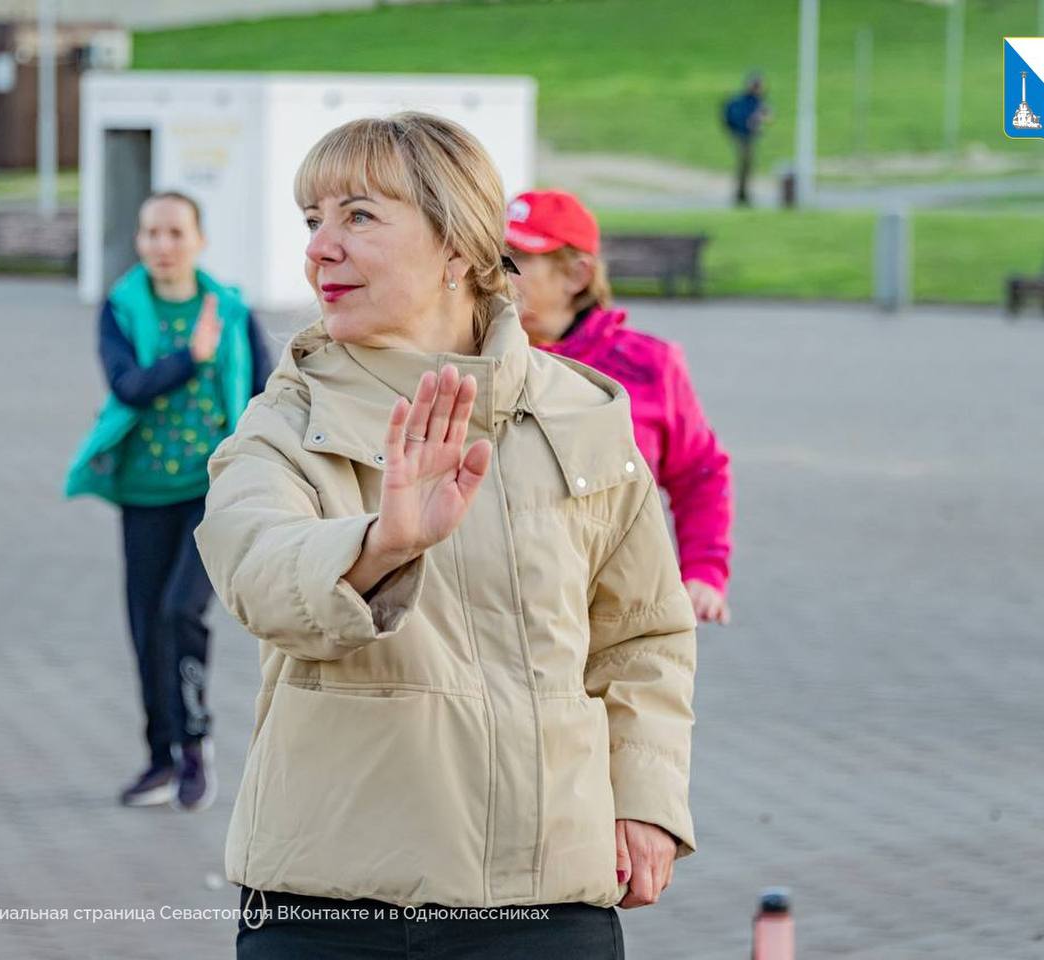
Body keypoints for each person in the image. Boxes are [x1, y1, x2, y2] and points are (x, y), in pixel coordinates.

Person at [194, 112, 698, 958]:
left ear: (458, 248)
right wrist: (380, 545)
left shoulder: (581, 411)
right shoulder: (285, 422)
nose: (320, 247)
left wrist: (644, 796)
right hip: (333, 908)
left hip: (551, 905)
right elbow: (257, 571)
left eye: (358, 216)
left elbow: (643, 633)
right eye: (312, 221)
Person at [65, 191, 274, 810]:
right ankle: (158, 756)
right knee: (144, 625)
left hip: (211, 493)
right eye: (151, 232)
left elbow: (265, 397)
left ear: (199, 240)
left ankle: (194, 742)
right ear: (139, 240)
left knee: (181, 612)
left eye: (175, 232)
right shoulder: (123, 309)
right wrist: (191, 358)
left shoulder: (231, 311)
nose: (162, 245)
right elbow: (127, 386)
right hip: (143, 493)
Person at [504, 189, 733, 625]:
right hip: (508, 618)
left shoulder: (650, 365)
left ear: (577, 275)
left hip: (620, 615)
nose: (497, 274)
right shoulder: (474, 361)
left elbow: (700, 472)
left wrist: (705, 570)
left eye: (517, 259)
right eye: (494, 256)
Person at [722, 71, 771, 206]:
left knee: (747, 165)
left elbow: (767, 116)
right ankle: (741, 194)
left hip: (749, 136)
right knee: (745, 164)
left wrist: (760, 120)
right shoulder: (742, 101)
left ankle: (743, 193)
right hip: (741, 135)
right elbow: (734, 117)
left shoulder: (758, 101)